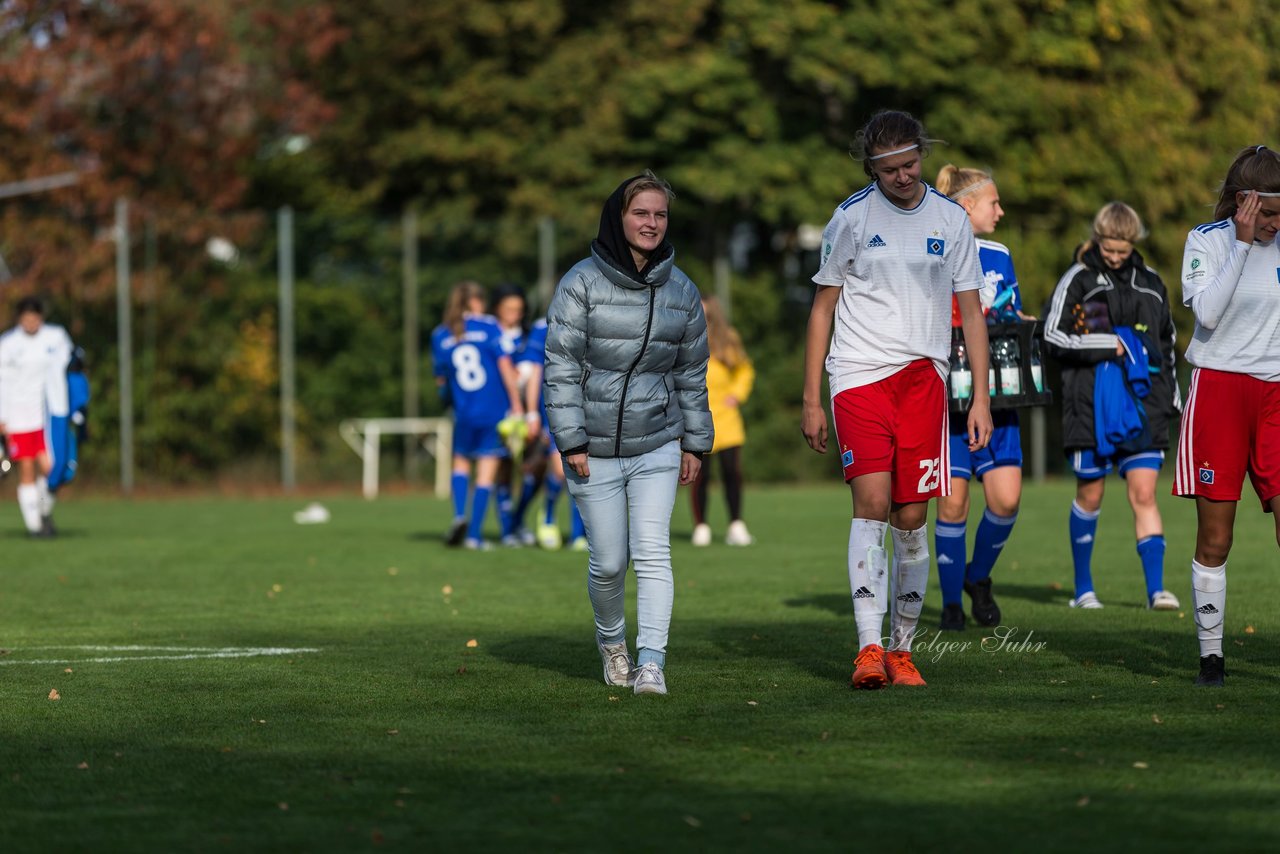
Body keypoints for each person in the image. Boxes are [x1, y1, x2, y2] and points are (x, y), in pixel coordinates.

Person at [802, 110, 993, 690]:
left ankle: (902, 649)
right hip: (859, 376)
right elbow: (822, 310)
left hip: (924, 381)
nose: (903, 176)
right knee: (873, 504)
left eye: (910, 164)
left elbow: (973, 313)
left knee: (912, 519)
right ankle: (867, 649)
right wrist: (812, 399)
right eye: (889, 170)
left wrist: (979, 397)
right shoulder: (850, 217)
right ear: (872, 168)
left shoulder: (951, 219)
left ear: (922, 156)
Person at [544, 170, 712, 697]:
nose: (652, 223)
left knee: (653, 551)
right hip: (591, 450)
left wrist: (695, 442)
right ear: (619, 217)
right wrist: (570, 440)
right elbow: (561, 367)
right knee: (610, 562)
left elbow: (691, 372)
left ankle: (652, 662)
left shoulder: (682, 290)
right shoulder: (580, 283)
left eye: (660, 215)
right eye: (641, 213)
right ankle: (613, 645)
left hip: (658, 441)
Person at [1174, 144, 1280, 687]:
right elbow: (1209, 314)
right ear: (1244, 202)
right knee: (1217, 538)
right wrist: (1241, 245)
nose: (1274, 224)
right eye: (1266, 213)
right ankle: (1211, 657)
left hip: (1276, 395)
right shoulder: (1207, 242)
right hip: (1218, 391)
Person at [1044, 202, 1181, 611]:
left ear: (1134, 243)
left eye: (1123, 250)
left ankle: (1156, 591)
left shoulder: (1152, 282)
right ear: (1098, 238)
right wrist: (1110, 344)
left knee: (1144, 492)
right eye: (1109, 249)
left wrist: (1172, 394)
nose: (1116, 256)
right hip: (1089, 406)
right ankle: (1083, 589)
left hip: (1144, 405)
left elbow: (1167, 342)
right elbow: (1052, 337)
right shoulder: (1078, 279)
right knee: (1091, 494)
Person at [932, 165, 1034, 631]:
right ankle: (952, 604)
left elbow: (1004, 310)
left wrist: (1019, 318)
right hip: (946, 398)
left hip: (996, 395)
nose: (1001, 210)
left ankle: (978, 578)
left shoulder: (999, 253)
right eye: (993, 202)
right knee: (953, 503)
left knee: (1007, 500)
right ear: (966, 205)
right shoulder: (932, 249)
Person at [430, 281, 525, 550]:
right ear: (476, 303)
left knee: (460, 464)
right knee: (486, 474)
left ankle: (459, 515)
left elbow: (441, 381)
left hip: (463, 413)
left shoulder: (440, 334)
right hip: (492, 411)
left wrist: (448, 400)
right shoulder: (487, 326)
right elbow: (506, 368)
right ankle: (474, 536)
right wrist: (517, 405)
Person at [0, 296, 74, 538]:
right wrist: (2, 417)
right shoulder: (8, 344)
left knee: (54, 469)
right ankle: (35, 525)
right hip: (18, 417)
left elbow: (68, 365)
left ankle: (42, 509)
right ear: (20, 319)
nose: (31, 323)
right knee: (27, 469)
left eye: (35, 318)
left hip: (45, 416)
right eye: (26, 318)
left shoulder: (56, 337)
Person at [513, 315, 587, 551]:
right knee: (558, 470)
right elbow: (534, 370)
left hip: (587, 404)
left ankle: (578, 535)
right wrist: (532, 413)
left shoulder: (596, 319)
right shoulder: (543, 326)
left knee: (583, 472)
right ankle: (546, 516)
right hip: (553, 407)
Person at [690, 295, 755, 547]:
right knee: (699, 475)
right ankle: (701, 526)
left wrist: (737, 394)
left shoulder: (728, 338)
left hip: (726, 419)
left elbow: (745, 369)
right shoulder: (686, 336)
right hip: (698, 417)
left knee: (732, 473)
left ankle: (736, 524)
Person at [489, 283, 531, 547]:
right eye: (508, 309)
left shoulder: (526, 337)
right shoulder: (488, 334)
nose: (514, 314)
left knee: (531, 470)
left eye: (518, 309)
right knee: (502, 469)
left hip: (526, 412)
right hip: (497, 413)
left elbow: (528, 373)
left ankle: (518, 519)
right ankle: (506, 529)